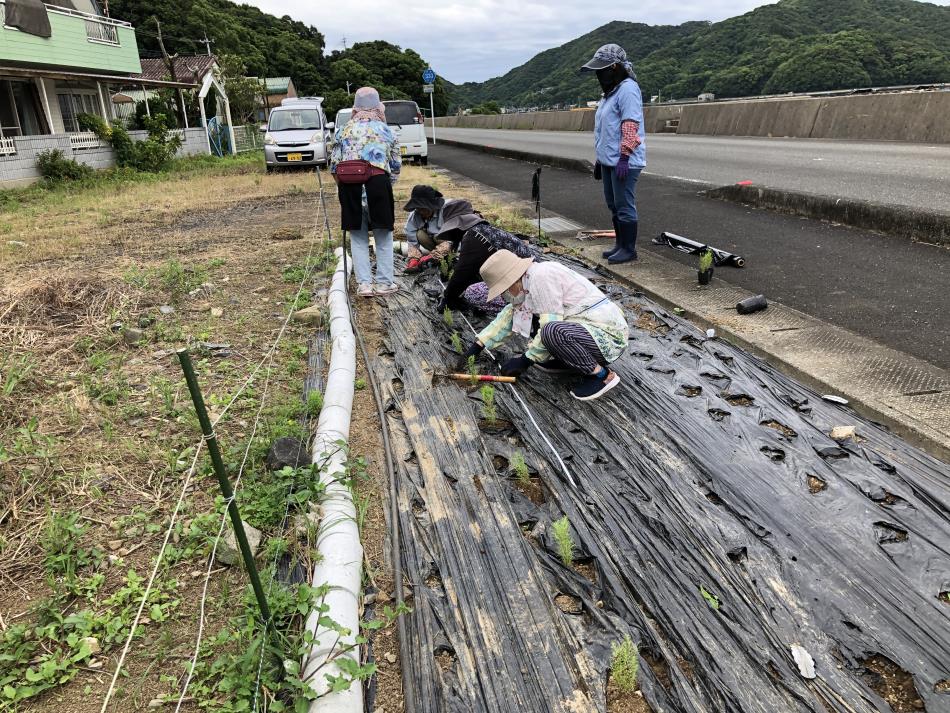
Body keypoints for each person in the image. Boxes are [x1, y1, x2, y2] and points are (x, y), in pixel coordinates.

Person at [461, 250, 629, 401]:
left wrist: (526, 359)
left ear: (511, 281)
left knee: (551, 331)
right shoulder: (526, 283)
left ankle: (601, 375)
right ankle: (570, 361)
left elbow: (551, 323)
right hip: (585, 331)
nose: (503, 295)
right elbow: (509, 315)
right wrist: (478, 345)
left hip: (608, 337)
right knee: (550, 333)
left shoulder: (541, 276)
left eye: (503, 290)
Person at [329, 87, 401, 297]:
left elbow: (334, 166)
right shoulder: (387, 131)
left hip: (349, 186)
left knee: (358, 236)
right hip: (378, 183)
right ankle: (385, 283)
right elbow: (395, 165)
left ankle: (364, 285)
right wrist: (387, 186)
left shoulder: (343, 131)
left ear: (356, 108)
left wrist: (343, 187)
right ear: (378, 107)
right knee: (383, 235)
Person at [581, 43, 646, 265]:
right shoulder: (609, 93)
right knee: (613, 204)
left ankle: (629, 249)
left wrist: (625, 157)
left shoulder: (628, 89)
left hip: (624, 161)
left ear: (616, 67)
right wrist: (600, 160)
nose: (599, 74)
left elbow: (630, 125)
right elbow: (605, 131)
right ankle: (620, 244)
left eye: (603, 69)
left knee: (624, 205)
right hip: (609, 161)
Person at [434, 200, 540, 315]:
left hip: (526, 285)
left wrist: (448, 298)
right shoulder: (481, 231)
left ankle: (519, 310)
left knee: (473, 293)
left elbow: (462, 272)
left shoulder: (473, 237)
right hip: (530, 275)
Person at [402, 185, 453, 273]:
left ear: (432, 206)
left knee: (438, 236)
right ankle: (437, 258)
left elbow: (453, 239)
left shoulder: (447, 210)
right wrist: (414, 259)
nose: (421, 212)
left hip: (451, 243)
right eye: (418, 209)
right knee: (420, 234)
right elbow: (411, 240)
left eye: (424, 209)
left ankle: (448, 257)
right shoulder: (414, 216)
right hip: (434, 244)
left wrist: (432, 256)